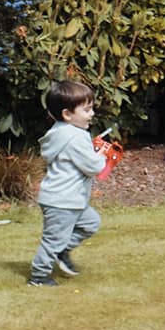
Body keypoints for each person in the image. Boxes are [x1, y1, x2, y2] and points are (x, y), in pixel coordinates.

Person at [29, 79, 107, 287]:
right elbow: (93, 167)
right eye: (87, 109)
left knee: (90, 223)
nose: (92, 114)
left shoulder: (59, 132)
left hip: (68, 199)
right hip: (62, 201)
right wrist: (101, 154)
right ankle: (39, 276)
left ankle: (63, 249)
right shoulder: (75, 137)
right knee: (52, 240)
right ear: (67, 114)